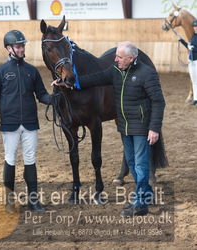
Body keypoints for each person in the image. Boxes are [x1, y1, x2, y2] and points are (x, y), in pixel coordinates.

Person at [53, 41, 166, 216]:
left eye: (119, 57)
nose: (116, 59)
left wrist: (154, 128)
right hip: (124, 125)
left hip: (141, 125)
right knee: (131, 161)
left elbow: (159, 102)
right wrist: (69, 84)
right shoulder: (115, 71)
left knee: (140, 164)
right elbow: (94, 79)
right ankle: (146, 193)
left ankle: (141, 202)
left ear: (131, 58)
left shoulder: (147, 74)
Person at [0, 30, 52, 213]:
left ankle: (33, 200)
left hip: (30, 123)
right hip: (10, 125)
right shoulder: (0, 72)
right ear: (9, 48)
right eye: (18, 46)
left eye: (23, 45)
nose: (22, 49)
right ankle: (9, 201)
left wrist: (54, 97)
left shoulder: (32, 71)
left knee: (30, 160)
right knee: (10, 160)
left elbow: (41, 95)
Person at [177, 19, 197, 106]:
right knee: (194, 81)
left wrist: (193, 48)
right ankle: (196, 99)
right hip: (192, 61)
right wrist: (181, 40)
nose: (196, 28)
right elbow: (189, 46)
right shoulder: (193, 37)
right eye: (195, 26)